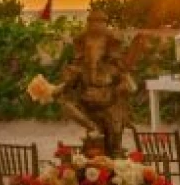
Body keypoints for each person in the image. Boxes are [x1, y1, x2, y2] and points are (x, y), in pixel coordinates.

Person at [54, 11, 141, 155]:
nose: (93, 50)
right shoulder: (80, 67)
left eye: (99, 46)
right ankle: (93, 128)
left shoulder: (112, 66)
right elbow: (67, 85)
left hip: (110, 106)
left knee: (113, 145)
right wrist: (60, 87)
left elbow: (129, 83)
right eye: (89, 46)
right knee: (93, 143)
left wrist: (122, 83)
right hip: (88, 106)